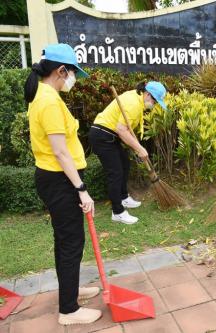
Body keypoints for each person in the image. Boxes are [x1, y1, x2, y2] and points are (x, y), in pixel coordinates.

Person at [25, 43, 102, 325]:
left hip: (54, 179)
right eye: (72, 73)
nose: (73, 79)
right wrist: (81, 189)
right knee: (71, 242)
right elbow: (60, 151)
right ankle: (68, 311)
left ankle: (71, 291)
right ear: (60, 70)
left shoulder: (45, 96)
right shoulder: (48, 101)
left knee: (67, 241)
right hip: (59, 181)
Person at [89, 81, 167, 224]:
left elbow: (124, 130)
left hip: (110, 135)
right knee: (115, 172)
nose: (154, 105)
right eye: (155, 101)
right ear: (148, 94)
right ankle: (117, 212)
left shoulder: (136, 99)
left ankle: (123, 198)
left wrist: (137, 146)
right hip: (102, 135)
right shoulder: (134, 104)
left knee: (125, 163)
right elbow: (121, 129)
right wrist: (139, 149)